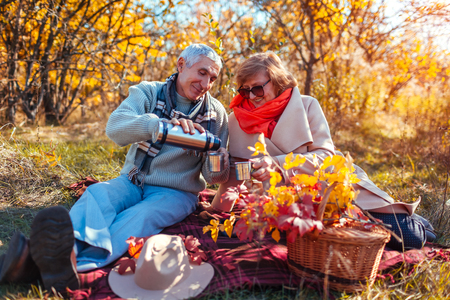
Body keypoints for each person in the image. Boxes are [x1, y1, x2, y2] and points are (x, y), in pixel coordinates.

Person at [0, 44, 230, 293]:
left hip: (176, 192)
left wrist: (215, 152)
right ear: (181, 64)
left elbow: (214, 177)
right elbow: (115, 127)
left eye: (212, 78)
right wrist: (160, 127)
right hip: (134, 179)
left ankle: (68, 264)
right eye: (202, 72)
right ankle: (61, 258)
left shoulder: (215, 113)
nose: (206, 83)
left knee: (141, 216)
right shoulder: (149, 93)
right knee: (98, 195)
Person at [211, 51, 435, 252]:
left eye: (258, 88)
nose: (251, 97)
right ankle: (404, 217)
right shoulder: (236, 119)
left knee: (409, 238)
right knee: (301, 243)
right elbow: (236, 174)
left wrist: (277, 164)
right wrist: (217, 212)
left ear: (277, 81)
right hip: (284, 206)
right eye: (245, 90)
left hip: (333, 188)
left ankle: (414, 220)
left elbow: (326, 156)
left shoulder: (306, 105)